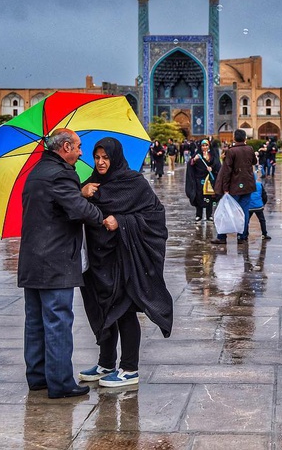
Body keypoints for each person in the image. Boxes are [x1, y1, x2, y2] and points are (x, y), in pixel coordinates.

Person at [18, 128, 112, 399]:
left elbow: (55, 204)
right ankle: (60, 383)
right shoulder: (62, 173)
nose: (82, 152)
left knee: (35, 321)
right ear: (67, 146)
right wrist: (101, 217)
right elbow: (77, 210)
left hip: (32, 259)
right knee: (58, 320)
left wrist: (77, 192)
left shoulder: (37, 171)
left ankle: (37, 377)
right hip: (55, 261)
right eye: (79, 147)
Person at [78, 137, 173, 388]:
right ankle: (106, 362)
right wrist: (81, 192)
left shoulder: (133, 182)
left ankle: (130, 368)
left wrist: (121, 221)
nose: (100, 162)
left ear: (115, 157)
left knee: (124, 311)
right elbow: (77, 210)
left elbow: (155, 216)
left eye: (105, 157)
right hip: (99, 259)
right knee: (103, 309)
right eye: (97, 157)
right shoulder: (92, 183)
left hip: (124, 258)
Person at [211, 129, 257, 245]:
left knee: (227, 210)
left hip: (234, 186)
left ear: (234, 138)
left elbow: (227, 171)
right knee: (244, 211)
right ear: (245, 138)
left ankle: (222, 236)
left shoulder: (232, 151)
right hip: (247, 185)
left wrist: (225, 188)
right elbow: (254, 161)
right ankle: (243, 236)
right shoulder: (250, 149)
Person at [184, 139, 221, 221]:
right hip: (199, 179)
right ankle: (199, 214)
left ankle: (209, 215)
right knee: (199, 196)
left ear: (209, 146)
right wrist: (194, 160)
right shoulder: (197, 155)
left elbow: (217, 164)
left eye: (206, 145)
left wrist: (212, 167)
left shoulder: (212, 154)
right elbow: (190, 164)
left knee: (209, 197)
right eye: (203, 145)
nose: (204, 147)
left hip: (209, 180)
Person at [248, 169, 271, 240]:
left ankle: (245, 234)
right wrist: (263, 204)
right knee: (262, 220)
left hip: (249, 206)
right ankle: (264, 234)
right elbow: (264, 196)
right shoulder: (259, 184)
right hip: (258, 206)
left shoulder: (247, 185)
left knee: (246, 221)